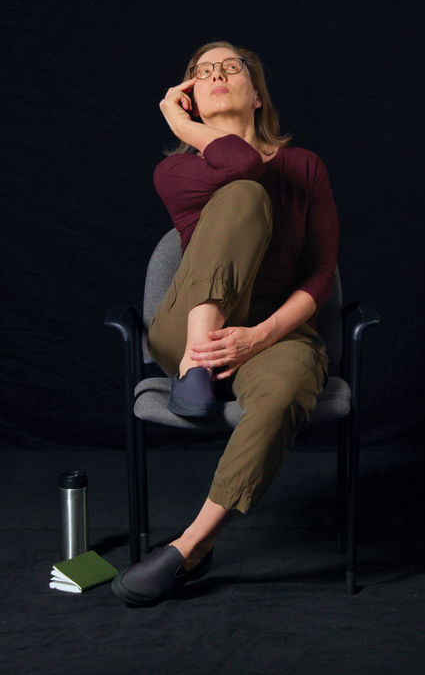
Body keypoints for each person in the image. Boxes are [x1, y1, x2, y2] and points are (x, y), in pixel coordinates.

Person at [111, 40, 339, 606]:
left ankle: (191, 544)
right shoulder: (174, 171)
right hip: (181, 331)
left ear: (256, 96)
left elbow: (321, 273)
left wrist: (259, 336)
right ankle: (197, 364)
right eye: (201, 72)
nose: (216, 74)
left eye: (230, 68)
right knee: (242, 195)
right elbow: (238, 163)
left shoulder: (304, 166)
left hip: (272, 333)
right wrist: (176, 123)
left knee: (286, 388)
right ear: (189, 100)